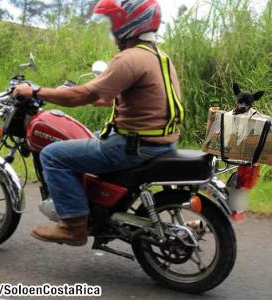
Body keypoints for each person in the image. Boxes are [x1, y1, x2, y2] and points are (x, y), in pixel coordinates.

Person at [13, 0, 184, 247]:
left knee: (53, 155)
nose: (112, 29)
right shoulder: (159, 57)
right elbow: (134, 98)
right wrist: (92, 97)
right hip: (159, 143)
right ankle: (97, 210)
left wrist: (36, 91)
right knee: (83, 140)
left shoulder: (129, 58)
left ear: (132, 23)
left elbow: (80, 96)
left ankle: (73, 226)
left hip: (132, 147)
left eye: (115, 22)